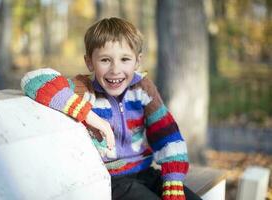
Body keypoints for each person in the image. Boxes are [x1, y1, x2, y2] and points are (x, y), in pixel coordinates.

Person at [21, 17, 201, 200]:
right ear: (90, 62)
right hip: (110, 182)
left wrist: (173, 179)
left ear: (137, 62)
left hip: (146, 171)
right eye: (105, 60)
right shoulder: (84, 90)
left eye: (125, 59)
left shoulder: (143, 89)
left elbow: (167, 134)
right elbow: (34, 81)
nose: (115, 69)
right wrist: (88, 115)